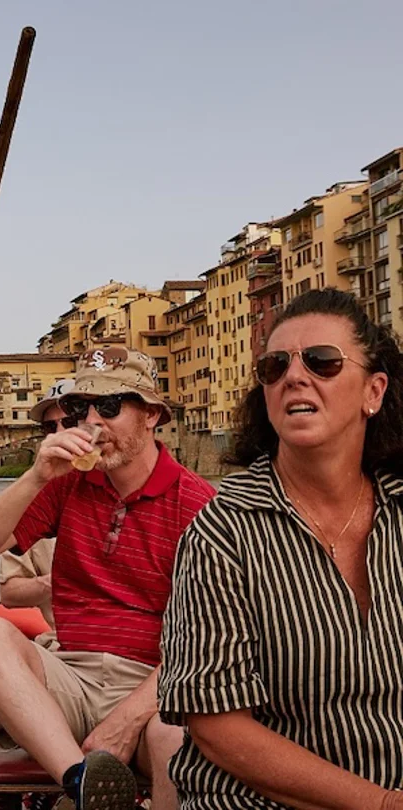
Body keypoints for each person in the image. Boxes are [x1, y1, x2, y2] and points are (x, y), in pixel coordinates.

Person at [159, 288, 403, 809]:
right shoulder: (222, 532)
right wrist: (381, 804)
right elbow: (217, 727)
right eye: (275, 367)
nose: (294, 376)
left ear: (374, 391)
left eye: (322, 361)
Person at [0, 348, 215, 810]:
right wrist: (35, 476)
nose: (91, 422)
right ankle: (82, 782)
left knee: (173, 736)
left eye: (109, 407)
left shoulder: (197, 505)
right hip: (70, 673)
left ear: (151, 415)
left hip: (153, 683)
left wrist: (126, 720)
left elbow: (206, 642)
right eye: (80, 409)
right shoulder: (66, 484)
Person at [0, 379, 77, 623]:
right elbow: (8, 592)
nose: (60, 433)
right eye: (50, 427)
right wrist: (56, 581)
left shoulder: (124, 490)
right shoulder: (32, 499)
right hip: (60, 639)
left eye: (71, 422)